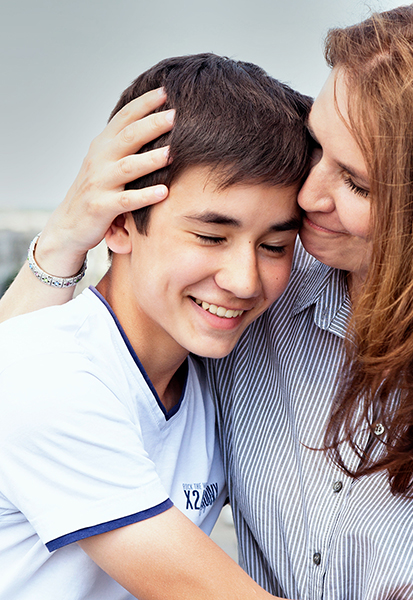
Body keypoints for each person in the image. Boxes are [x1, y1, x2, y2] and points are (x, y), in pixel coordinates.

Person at [0, 3, 413, 600]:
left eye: (355, 182)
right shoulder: (242, 307)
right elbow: (25, 376)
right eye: (317, 149)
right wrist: (63, 240)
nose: (308, 197)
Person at [0, 53, 312, 599]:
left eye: (274, 246)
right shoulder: (48, 376)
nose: (244, 281)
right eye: (210, 237)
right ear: (120, 224)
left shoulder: (214, 378)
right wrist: (59, 242)